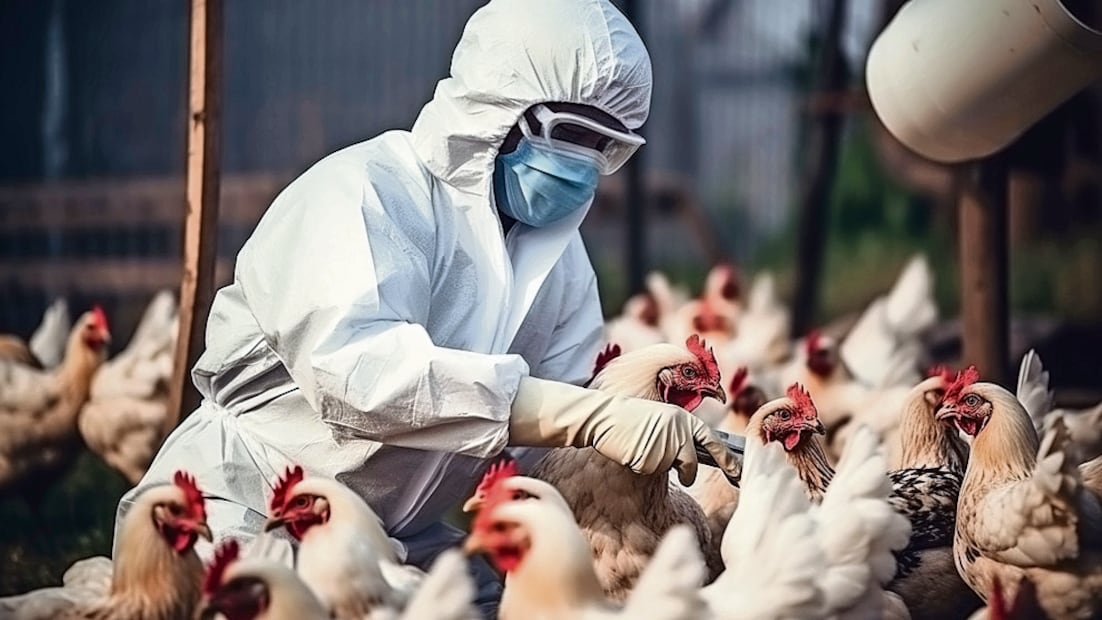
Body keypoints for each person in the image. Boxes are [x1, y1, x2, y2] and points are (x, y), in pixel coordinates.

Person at [115, 0, 740, 614]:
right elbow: (363, 376)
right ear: (499, 107)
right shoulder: (364, 194)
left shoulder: (562, 261)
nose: (582, 166)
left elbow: (547, 430)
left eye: (605, 147)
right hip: (250, 508)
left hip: (407, 539)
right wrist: (586, 417)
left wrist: (644, 448)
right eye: (570, 135)